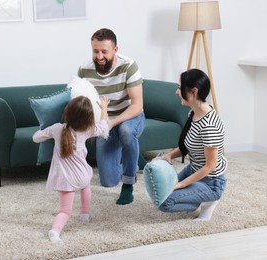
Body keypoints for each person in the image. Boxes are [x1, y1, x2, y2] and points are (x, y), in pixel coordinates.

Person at [77, 28, 145, 205]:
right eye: (95, 51)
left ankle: (129, 184)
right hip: (103, 121)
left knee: (127, 132)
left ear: (115, 50)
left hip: (129, 116)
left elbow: (137, 106)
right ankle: (134, 157)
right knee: (108, 181)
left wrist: (112, 123)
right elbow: (79, 100)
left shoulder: (129, 66)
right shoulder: (84, 70)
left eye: (104, 51)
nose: (99, 56)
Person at [33, 95, 110, 244]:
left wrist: (42, 129)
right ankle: (85, 214)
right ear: (88, 118)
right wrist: (104, 107)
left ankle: (55, 231)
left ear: (67, 113)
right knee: (85, 185)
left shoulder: (56, 129)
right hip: (82, 175)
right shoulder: (88, 130)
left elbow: (36, 138)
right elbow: (103, 124)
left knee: (65, 211)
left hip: (65, 179)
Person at [154, 68, 227, 221]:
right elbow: (187, 146)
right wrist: (168, 156)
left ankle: (207, 199)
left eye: (180, 88)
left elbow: (210, 166)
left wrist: (181, 185)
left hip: (211, 182)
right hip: (192, 170)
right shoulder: (194, 113)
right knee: (160, 193)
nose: (176, 92)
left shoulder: (209, 125)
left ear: (193, 91)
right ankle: (194, 195)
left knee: (164, 203)